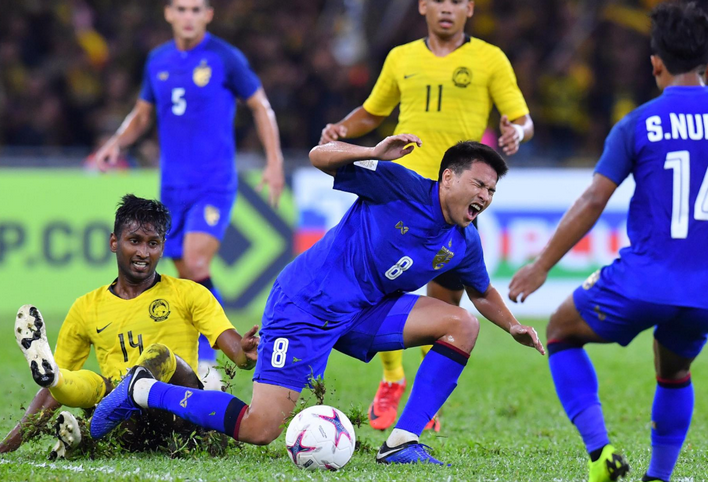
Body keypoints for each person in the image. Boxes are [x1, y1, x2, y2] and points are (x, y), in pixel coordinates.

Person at [90, 135, 544, 465]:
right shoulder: (398, 185)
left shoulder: (464, 240)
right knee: (260, 428)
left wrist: (513, 326)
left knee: (463, 324)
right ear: (448, 178)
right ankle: (144, 390)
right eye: (479, 185)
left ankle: (402, 441)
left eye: (491, 191)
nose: (485, 197)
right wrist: (370, 152)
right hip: (306, 306)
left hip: (364, 312)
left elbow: (482, 292)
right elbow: (317, 156)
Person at [508, 3, 708, 481]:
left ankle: (601, 454)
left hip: (645, 278)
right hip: (702, 292)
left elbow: (595, 199)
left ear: (656, 63)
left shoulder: (639, 122)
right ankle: (658, 477)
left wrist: (541, 265)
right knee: (674, 370)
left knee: (559, 330)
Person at [320, 0, 534, 431]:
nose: (447, 9)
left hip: (457, 197)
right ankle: (391, 379)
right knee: (382, 284)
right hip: (404, 190)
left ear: (469, 8)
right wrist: (343, 128)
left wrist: (517, 131)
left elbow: (522, 118)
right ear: (423, 6)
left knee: (444, 304)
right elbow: (373, 112)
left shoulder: (490, 58)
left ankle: (424, 393)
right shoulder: (402, 57)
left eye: (457, 1)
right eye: (439, 0)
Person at [92, 0, 284, 388]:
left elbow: (261, 106)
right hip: (172, 189)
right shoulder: (157, 61)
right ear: (168, 13)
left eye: (196, 9)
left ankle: (213, 362)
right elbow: (143, 114)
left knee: (195, 262)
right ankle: (199, 358)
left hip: (214, 183)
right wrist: (116, 143)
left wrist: (274, 160)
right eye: (181, 9)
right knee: (184, 271)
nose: (188, 17)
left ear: (208, 15)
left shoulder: (224, 57)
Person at [0, 194, 259, 458]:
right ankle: (93, 406)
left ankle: (90, 431)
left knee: (163, 356)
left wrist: (244, 354)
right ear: (114, 242)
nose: (144, 252)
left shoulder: (190, 293)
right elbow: (53, 394)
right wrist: (7, 446)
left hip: (179, 421)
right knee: (90, 383)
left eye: (153, 243)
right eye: (135, 241)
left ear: (163, 247)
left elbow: (232, 345)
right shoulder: (86, 307)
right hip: (127, 428)